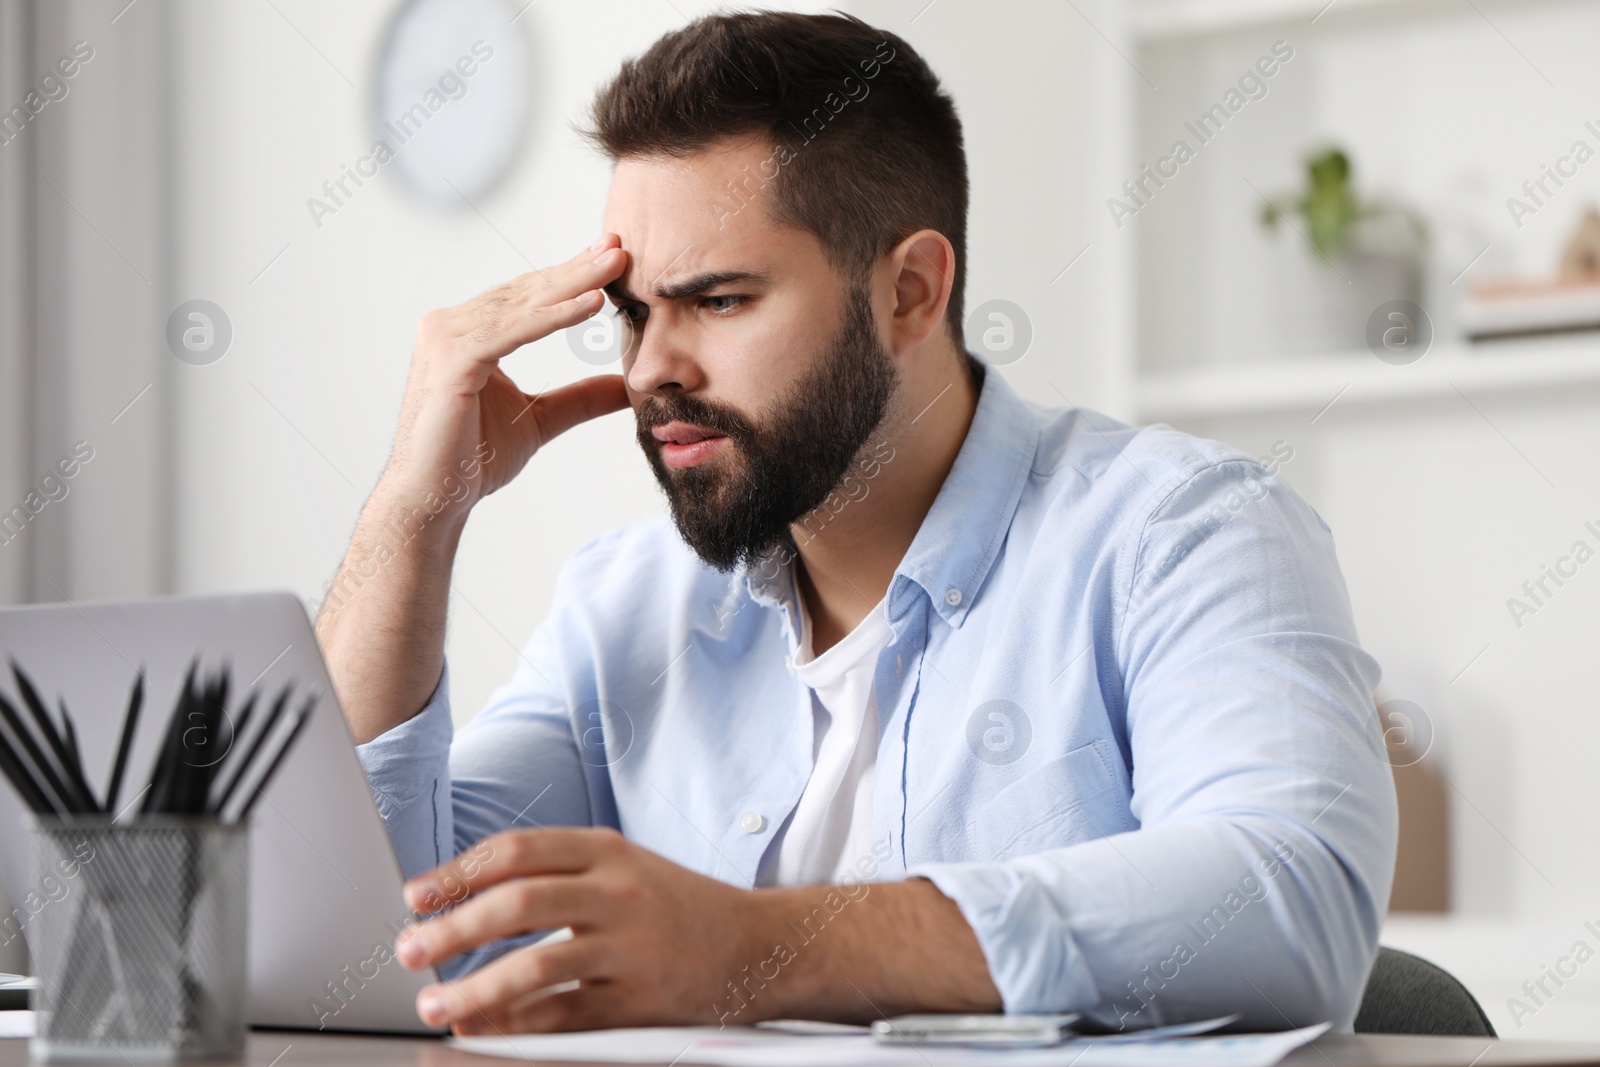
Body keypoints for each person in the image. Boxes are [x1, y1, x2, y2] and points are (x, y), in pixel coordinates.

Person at [317, 10, 1397, 1038]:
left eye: (719, 299)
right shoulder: (622, 606)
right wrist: (415, 513)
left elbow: (1287, 900)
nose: (649, 370)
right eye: (634, 312)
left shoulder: (1182, 532)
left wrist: (753, 946)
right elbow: (384, 939)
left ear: (911, 292)